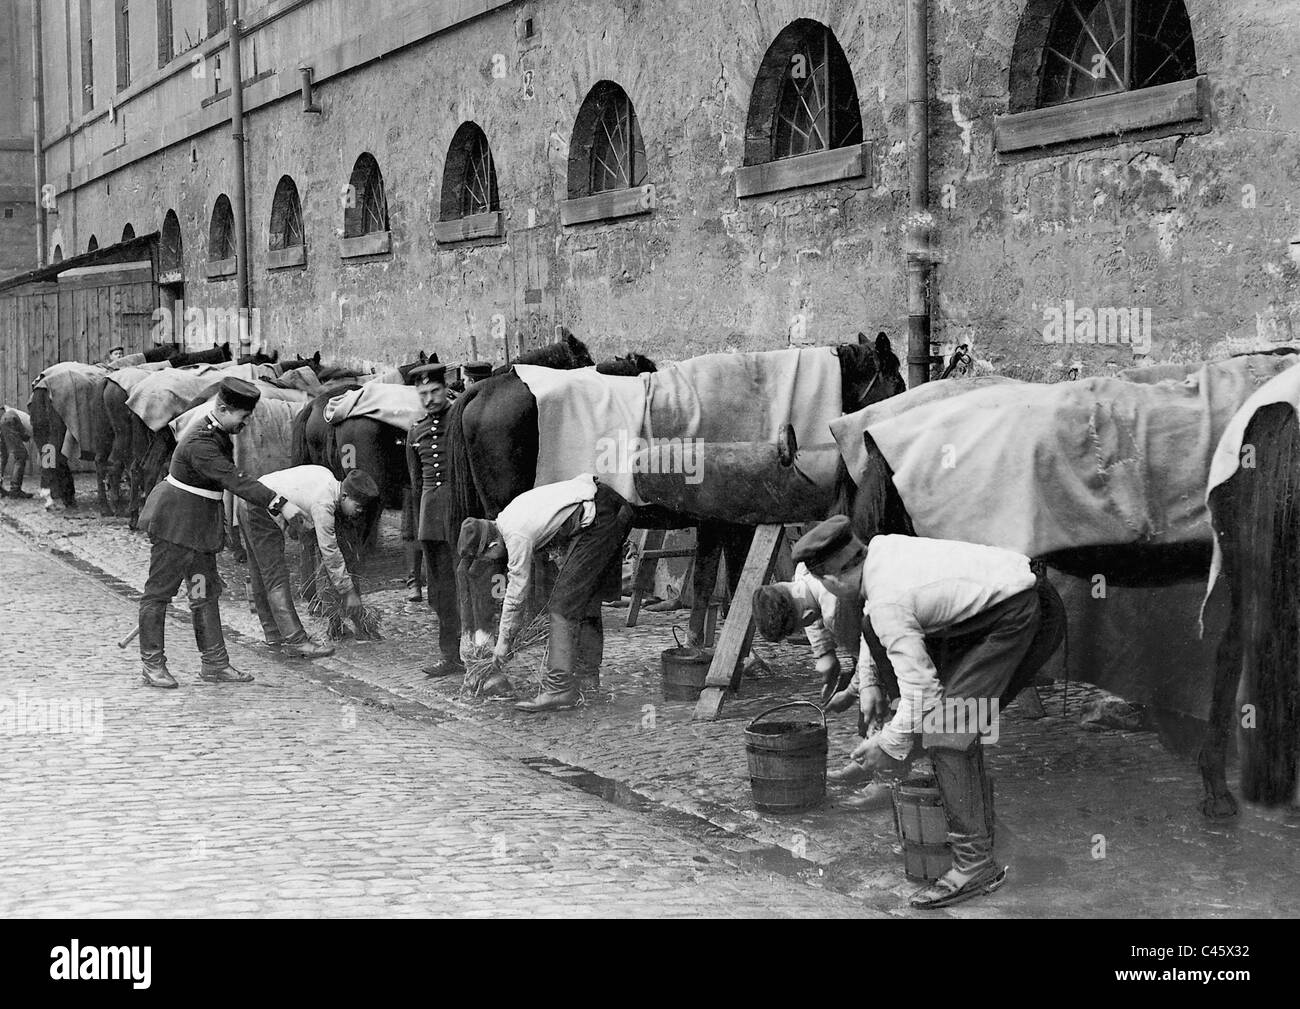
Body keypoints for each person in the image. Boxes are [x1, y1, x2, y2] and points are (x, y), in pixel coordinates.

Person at [791, 515, 1061, 910]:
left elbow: (922, 692)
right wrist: (893, 723)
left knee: (948, 732)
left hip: (1017, 616)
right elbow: (885, 645)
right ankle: (989, 835)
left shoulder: (887, 601)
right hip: (1000, 609)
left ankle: (975, 864)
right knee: (949, 724)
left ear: (831, 580)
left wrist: (891, 741)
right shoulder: (881, 549)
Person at [135, 377, 306, 689]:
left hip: (198, 531)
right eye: (244, 417)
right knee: (158, 594)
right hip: (176, 527)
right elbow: (236, 480)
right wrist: (281, 504)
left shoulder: (218, 432)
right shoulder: (201, 443)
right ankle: (152, 663)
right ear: (224, 409)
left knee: (203, 593)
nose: (247, 422)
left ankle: (214, 663)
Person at [461, 472, 633, 713]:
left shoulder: (515, 536)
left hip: (602, 515)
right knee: (583, 598)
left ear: (491, 545)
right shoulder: (509, 515)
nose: (493, 560)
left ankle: (559, 689)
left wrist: (503, 642)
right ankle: (587, 679)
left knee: (562, 604)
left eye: (488, 557)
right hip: (606, 506)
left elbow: (516, 594)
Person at [239, 464, 379, 658]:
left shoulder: (327, 478)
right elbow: (329, 551)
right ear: (344, 496)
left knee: (260, 572)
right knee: (275, 577)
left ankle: (273, 634)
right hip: (261, 508)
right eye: (358, 506)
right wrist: (348, 592)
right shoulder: (325, 504)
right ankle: (296, 640)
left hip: (252, 498)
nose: (359, 512)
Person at [406, 362, 463, 678]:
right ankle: (449, 656)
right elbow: (416, 483)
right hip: (430, 520)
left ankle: (474, 651)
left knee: (466, 584)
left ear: (445, 388)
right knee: (441, 591)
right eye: (423, 394)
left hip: (459, 515)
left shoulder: (461, 421)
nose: (429, 399)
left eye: (434, 391)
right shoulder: (416, 432)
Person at [0, 405, 34, 499]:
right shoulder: (36, 426)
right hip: (10, 419)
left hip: (5, 418)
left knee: (3, 455)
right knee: (21, 455)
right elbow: (25, 437)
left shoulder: (28, 419)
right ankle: (15, 490)